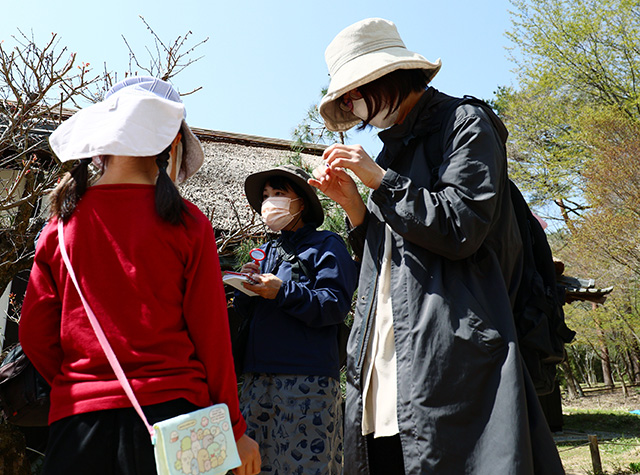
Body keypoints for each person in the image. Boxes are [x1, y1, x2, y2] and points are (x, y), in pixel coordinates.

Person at [309, 18, 565, 475]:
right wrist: (354, 207)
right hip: (382, 365)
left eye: (352, 92)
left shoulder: (465, 122)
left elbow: (461, 226)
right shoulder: (388, 156)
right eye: (343, 98)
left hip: (449, 357)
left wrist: (380, 182)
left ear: (384, 76)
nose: (351, 105)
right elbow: (390, 262)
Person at [18, 76, 261, 475]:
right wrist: (234, 428)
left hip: (78, 421)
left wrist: (80, 381)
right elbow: (212, 339)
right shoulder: (188, 224)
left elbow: (34, 335)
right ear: (173, 143)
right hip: (177, 423)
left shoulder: (59, 227)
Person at [233, 164, 358, 474]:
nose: (269, 202)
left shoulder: (327, 245)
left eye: (279, 194)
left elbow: (335, 305)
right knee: (251, 468)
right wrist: (246, 289)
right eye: (265, 196)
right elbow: (246, 316)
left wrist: (283, 291)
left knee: (305, 467)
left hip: (307, 381)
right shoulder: (264, 251)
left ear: (302, 202)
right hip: (254, 379)